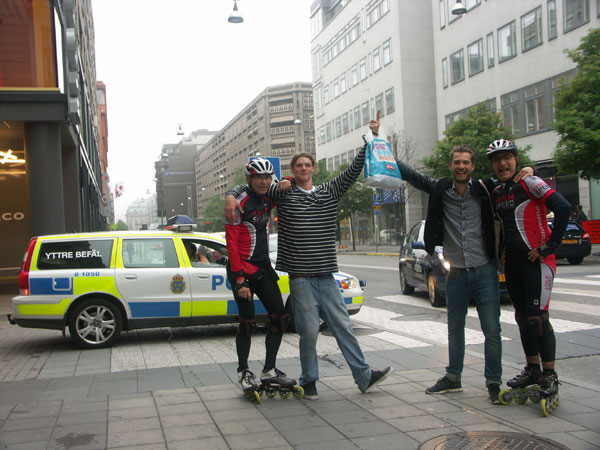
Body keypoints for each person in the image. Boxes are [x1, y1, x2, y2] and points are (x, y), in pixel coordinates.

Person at [225, 113, 392, 400]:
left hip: (326, 276)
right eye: (298, 165)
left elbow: (352, 171)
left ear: (313, 168)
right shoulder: (283, 193)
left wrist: (372, 139)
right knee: (309, 332)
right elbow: (253, 186)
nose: (303, 168)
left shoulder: (330, 191)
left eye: (307, 164)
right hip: (300, 278)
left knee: (343, 327)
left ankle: (364, 377)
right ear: (292, 171)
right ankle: (309, 380)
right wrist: (230, 194)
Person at [377, 121, 534, 403]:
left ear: (473, 166)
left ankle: (493, 382)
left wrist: (531, 170)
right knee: (454, 328)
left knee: (492, 330)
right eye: (457, 162)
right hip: (456, 273)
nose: (461, 166)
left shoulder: (487, 189)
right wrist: (379, 141)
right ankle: (453, 377)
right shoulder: (440, 189)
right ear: (451, 165)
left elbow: (515, 178)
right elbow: (409, 173)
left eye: (466, 162)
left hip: (485, 270)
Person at [487, 139, 571, 402]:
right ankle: (532, 368)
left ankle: (549, 373)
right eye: (497, 159)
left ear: (515, 159)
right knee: (522, 318)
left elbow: (563, 208)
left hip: (538, 262)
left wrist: (551, 245)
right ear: (492, 164)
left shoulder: (530, 182)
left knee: (538, 318)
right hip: (513, 264)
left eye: (507, 158)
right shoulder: (498, 190)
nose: (503, 163)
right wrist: (501, 250)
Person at [225, 158, 296, 394]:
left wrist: (287, 180)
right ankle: (243, 370)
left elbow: (293, 183)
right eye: (259, 178)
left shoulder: (269, 196)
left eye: (268, 177)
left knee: (281, 317)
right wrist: (240, 279)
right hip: (241, 269)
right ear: (249, 179)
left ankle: (269, 370)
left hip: (263, 268)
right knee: (248, 321)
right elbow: (232, 244)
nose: (264, 181)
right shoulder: (237, 203)